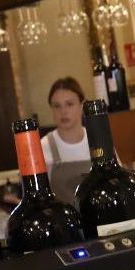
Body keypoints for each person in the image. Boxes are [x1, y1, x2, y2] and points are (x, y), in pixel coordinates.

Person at [42, 77, 92, 206]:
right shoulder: (43, 147)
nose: (63, 111)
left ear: (81, 105)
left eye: (69, 104)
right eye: (57, 106)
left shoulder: (97, 140)